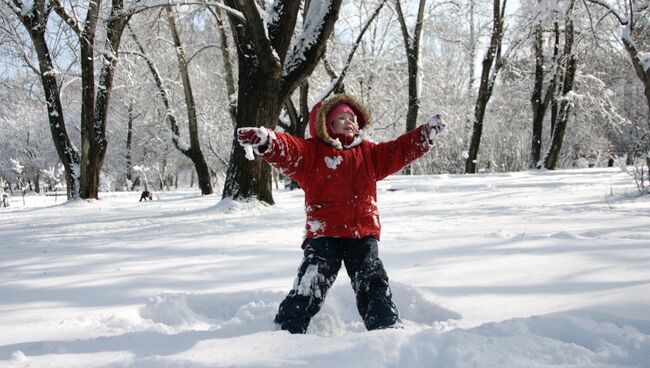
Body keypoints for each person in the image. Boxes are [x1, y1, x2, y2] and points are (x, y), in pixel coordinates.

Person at [236, 93, 447, 333]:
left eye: (353, 118)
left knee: (372, 281)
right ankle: (287, 329)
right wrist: (268, 142)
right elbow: (290, 150)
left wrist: (422, 136)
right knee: (311, 282)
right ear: (327, 123)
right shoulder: (312, 153)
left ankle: (385, 328)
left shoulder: (369, 154)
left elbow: (397, 151)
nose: (350, 122)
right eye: (343, 117)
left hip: (363, 232)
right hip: (325, 233)